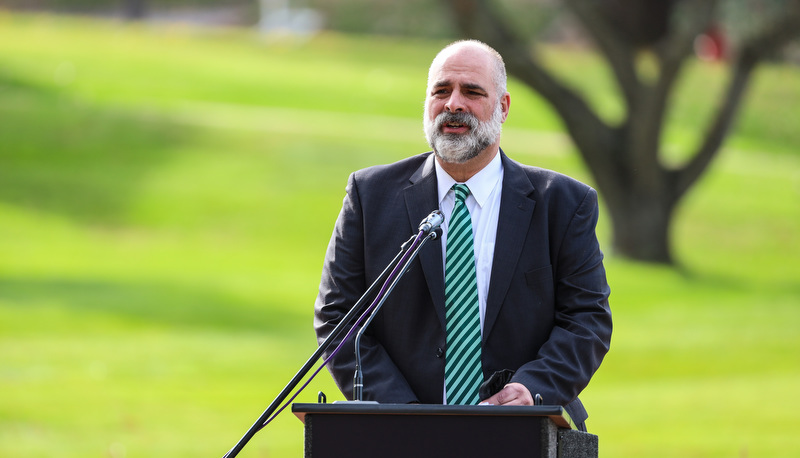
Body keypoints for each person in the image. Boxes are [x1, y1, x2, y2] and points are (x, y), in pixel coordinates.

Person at [314, 40, 612, 431]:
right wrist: (400, 411)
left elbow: (586, 320)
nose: (453, 104)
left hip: (520, 432)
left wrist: (534, 389)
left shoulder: (563, 204)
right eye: (441, 90)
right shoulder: (370, 196)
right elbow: (339, 317)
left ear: (503, 107)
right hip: (396, 436)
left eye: (472, 92)